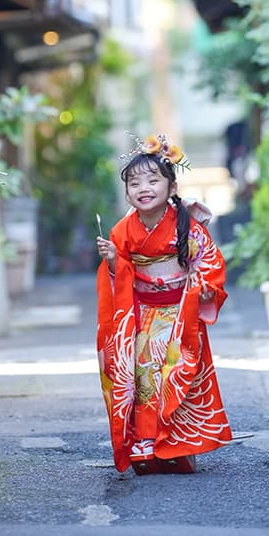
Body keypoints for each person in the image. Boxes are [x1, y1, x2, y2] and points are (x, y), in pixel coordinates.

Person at [96, 134, 232, 474]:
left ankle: (176, 444)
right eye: (134, 182)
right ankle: (145, 442)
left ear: (171, 187)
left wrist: (203, 288)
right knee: (142, 375)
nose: (143, 187)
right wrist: (114, 261)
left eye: (153, 180)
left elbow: (210, 262)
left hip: (179, 314)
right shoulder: (122, 231)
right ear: (127, 192)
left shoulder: (187, 226)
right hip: (141, 313)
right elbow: (120, 277)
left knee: (176, 375)